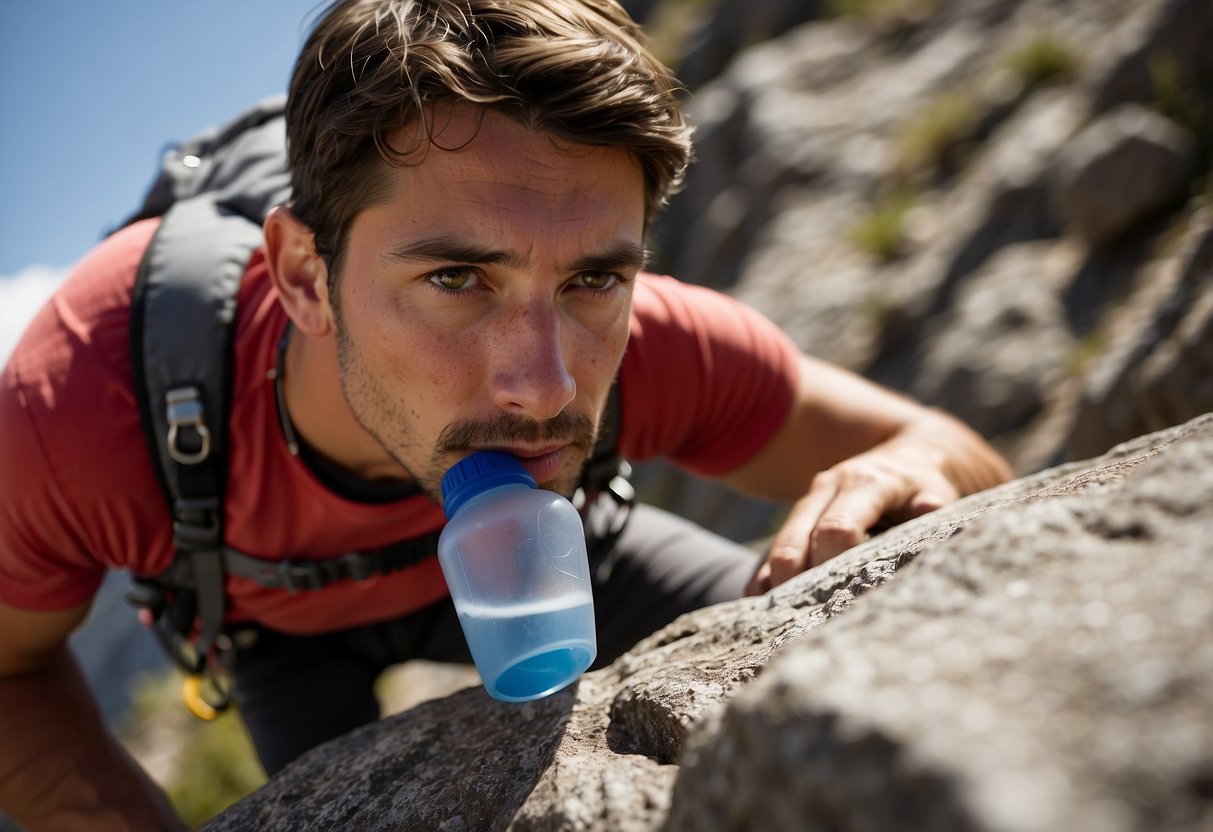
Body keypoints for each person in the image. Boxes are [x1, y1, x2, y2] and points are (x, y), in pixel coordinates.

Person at [0, 0, 1011, 828]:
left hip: (563, 552)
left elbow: (944, 446)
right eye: (455, 278)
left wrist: (906, 475)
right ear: (304, 276)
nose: (544, 385)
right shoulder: (92, 400)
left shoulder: (652, 338)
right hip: (280, 627)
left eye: (592, 278)